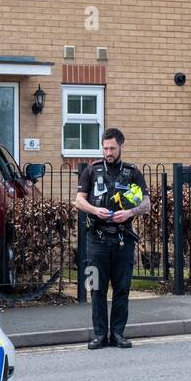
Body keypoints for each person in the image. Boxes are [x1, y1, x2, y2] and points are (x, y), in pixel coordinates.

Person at [74, 127, 150, 349]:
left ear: (121, 147)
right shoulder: (91, 171)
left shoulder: (132, 172)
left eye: (112, 148)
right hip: (96, 240)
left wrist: (130, 212)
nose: (108, 152)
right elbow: (79, 200)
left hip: (122, 240)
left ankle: (117, 334)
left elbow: (146, 204)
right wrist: (94, 210)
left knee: (122, 288)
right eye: (105, 147)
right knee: (96, 287)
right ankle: (99, 335)